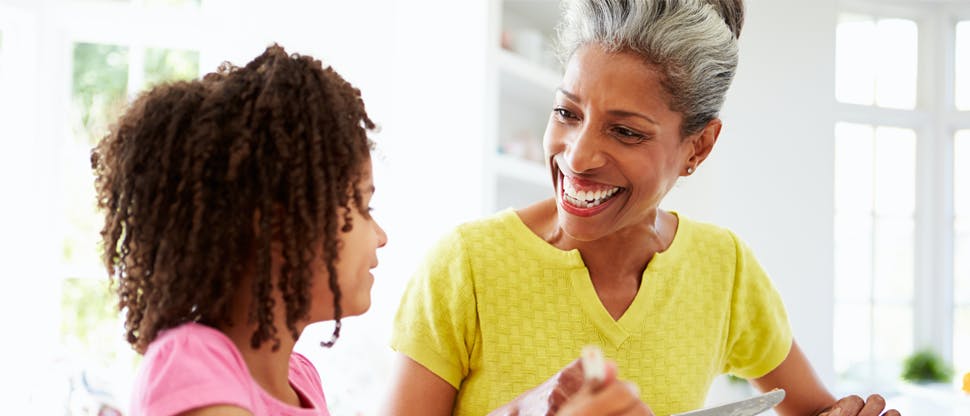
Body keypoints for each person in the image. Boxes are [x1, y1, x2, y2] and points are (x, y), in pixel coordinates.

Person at [384, 1, 901, 416]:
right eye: (567, 112)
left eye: (626, 131)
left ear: (698, 147)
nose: (578, 156)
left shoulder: (723, 268)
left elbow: (814, 411)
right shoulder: (467, 265)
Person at [92, 43, 635, 416]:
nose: (380, 236)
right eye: (362, 206)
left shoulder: (300, 379)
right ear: (277, 224)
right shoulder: (190, 361)